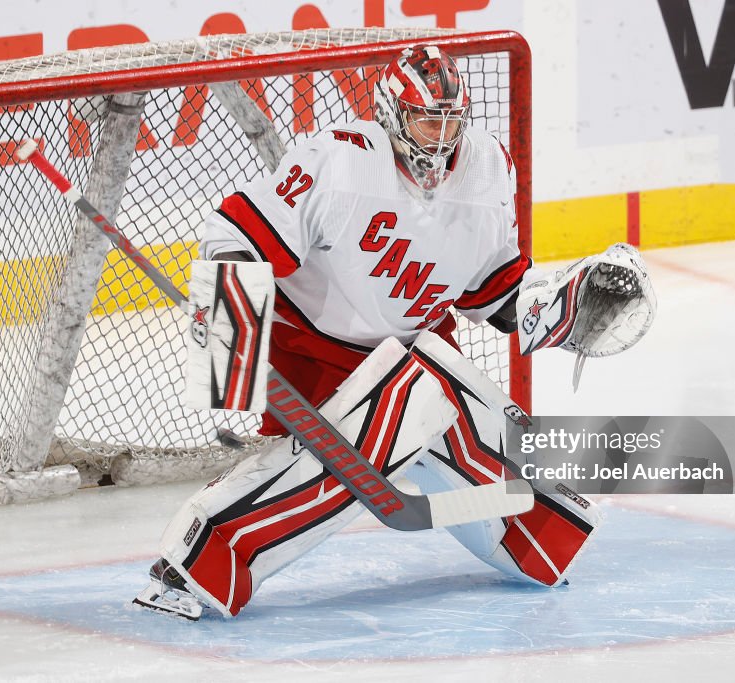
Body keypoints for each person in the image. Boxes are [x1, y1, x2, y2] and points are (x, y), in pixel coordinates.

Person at [135, 45, 654, 620]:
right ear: (390, 113)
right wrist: (227, 339)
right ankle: (197, 560)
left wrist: (557, 308)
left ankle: (529, 536)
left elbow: (491, 290)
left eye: (453, 120)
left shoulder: (488, 167)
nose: (441, 135)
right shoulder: (337, 160)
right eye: (427, 118)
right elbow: (235, 233)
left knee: (544, 525)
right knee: (405, 406)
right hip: (316, 352)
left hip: (417, 349)